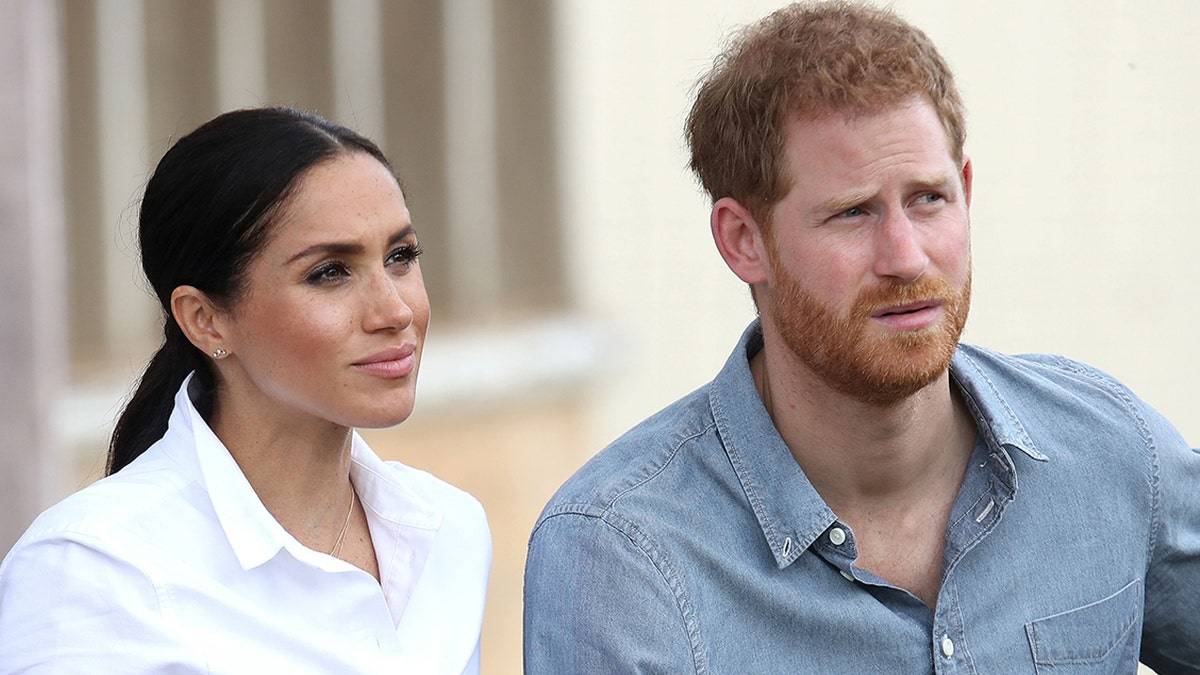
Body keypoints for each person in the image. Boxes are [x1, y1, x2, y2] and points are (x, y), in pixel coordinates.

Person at [523, 2, 1199, 672]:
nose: (906, 256)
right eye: (853, 213)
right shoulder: (622, 554)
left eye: (929, 198)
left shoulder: (1108, 452)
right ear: (742, 240)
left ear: (966, 190)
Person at [0, 107, 491, 673]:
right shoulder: (95, 570)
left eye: (400, 257)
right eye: (330, 271)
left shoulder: (449, 530)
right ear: (206, 319)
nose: (395, 311)